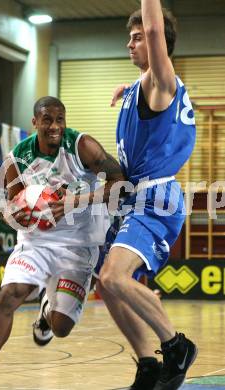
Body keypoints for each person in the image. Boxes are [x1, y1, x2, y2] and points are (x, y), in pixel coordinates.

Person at [0, 96, 124, 390]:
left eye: (60, 119)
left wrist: (78, 200)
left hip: (78, 244)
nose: (54, 126)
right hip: (36, 241)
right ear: (34, 122)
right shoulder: (16, 159)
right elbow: (11, 205)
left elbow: (121, 184)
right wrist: (17, 215)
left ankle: (47, 312)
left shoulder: (82, 146)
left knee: (61, 327)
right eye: (47, 119)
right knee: (10, 294)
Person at [95, 1, 197, 390]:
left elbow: (155, 33)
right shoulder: (142, 86)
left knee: (113, 276)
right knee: (107, 284)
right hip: (134, 197)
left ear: (156, 45)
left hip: (156, 198)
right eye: (129, 38)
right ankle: (148, 364)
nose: (130, 44)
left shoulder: (161, 82)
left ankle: (176, 346)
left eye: (137, 38)